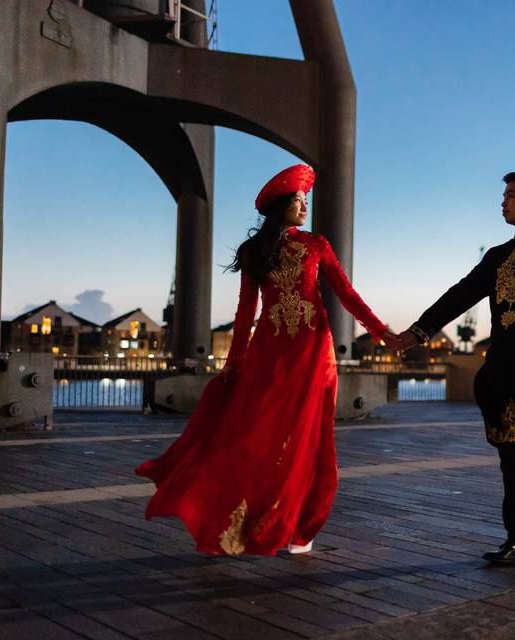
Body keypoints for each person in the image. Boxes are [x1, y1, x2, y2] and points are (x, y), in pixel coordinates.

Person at [136, 164, 400, 556]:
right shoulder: (255, 251)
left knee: (316, 441)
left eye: (306, 201)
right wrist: (234, 363)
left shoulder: (317, 245)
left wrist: (381, 332)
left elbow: (346, 294)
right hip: (269, 356)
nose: (305, 207)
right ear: (282, 205)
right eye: (299, 201)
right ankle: (243, 520)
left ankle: (303, 525)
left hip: (313, 355)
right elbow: (246, 311)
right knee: (254, 436)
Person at [398, 171, 515, 563]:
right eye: (503, 195)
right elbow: (460, 295)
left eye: (511, 195)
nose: (503, 201)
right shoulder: (497, 257)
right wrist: (419, 331)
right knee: (510, 457)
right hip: (502, 370)